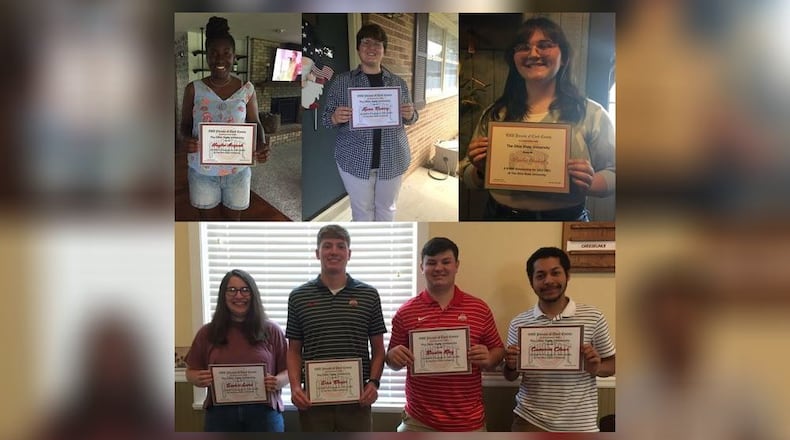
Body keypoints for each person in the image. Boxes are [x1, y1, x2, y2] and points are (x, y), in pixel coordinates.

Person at [463, 17, 615, 221]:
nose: (533, 54)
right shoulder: (495, 114)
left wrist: (591, 182)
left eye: (545, 46)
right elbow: (466, 175)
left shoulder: (591, 113)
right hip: (499, 216)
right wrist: (480, 170)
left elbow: (614, 173)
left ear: (565, 58)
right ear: (514, 58)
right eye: (523, 47)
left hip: (567, 218)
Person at [386, 237, 505, 432]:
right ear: (421, 267)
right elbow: (391, 359)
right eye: (431, 262)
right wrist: (394, 356)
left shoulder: (479, 308)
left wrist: (490, 357)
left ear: (456, 265)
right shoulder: (406, 312)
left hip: (469, 422)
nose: (438, 268)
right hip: (418, 421)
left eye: (446, 262)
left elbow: (498, 350)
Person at [286, 224, 386, 431]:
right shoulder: (298, 297)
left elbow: (378, 349)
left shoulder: (369, 295)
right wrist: (295, 387)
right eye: (327, 246)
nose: (334, 251)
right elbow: (294, 351)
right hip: (313, 403)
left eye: (341, 246)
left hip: (357, 402)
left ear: (349, 254)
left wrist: (374, 383)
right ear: (317, 253)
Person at [504, 247, 615, 432]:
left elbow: (613, 365)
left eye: (555, 273)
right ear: (531, 282)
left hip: (580, 424)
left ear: (567, 275)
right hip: (529, 421)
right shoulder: (519, 323)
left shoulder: (593, 316)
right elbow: (509, 376)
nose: (548, 281)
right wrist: (510, 365)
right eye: (540, 275)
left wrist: (596, 367)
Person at [321, 23, 418, 221]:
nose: (371, 48)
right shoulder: (342, 81)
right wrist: (334, 117)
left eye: (377, 44)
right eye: (366, 42)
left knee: (387, 209)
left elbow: (412, 118)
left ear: (384, 51)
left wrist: (410, 114)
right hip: (354, 159)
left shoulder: (397, 83)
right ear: (358, 48)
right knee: (362, 211)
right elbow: (326, 119)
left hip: (392, 157)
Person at [179, 16, 269, 220]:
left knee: (232, 225)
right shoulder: (193, 89)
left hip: (237, 172)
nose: (220, 59)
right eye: (213, 53)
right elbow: (184, 125)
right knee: (207, 226)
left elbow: (255, 123)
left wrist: (262, 144)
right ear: (207, 57)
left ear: (234, 56)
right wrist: (185, 140)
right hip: (202, 172)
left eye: (226, 53)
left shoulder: (247, 89)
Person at [184, 269, 288, 432]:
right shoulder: (207, 332)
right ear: (223, 295)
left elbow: (288, 371)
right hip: (220, 416)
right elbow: (190, 371)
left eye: (245, 290)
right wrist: (197, 378)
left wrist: (278, 381)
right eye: (231, 290)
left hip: (264, 414)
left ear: (253, 294)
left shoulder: (272, 330)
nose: (238, 296)